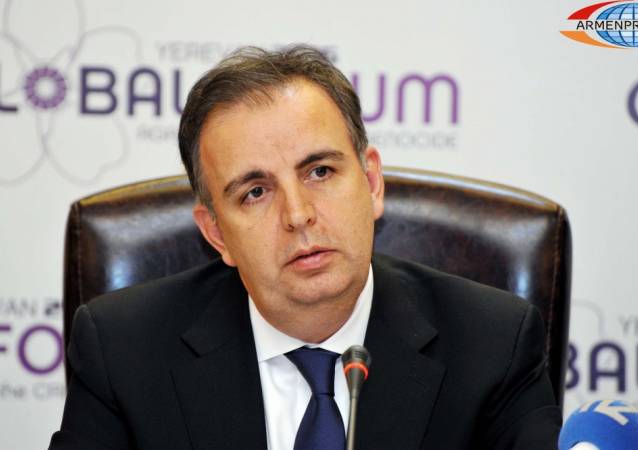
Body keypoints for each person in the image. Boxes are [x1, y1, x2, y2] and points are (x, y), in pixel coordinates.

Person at [49, 45, 561, 450]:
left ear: (371, 183)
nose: (297, 215)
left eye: (320, 171)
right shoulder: (123, 352)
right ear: (217, 233)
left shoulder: (494, 345)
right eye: (255, 192)